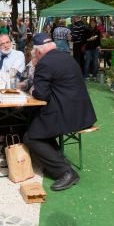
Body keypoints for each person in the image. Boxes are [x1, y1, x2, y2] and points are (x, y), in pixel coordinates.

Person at [25, 33, 97, 191]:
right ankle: (57, 162)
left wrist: (31, 89)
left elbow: (41, 94)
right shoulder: (65, 57)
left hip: (68, 114)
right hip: (82, 112)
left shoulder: (45, 63)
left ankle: (66, 172)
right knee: (37, 127)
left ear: (38, 52)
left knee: (30, 137)